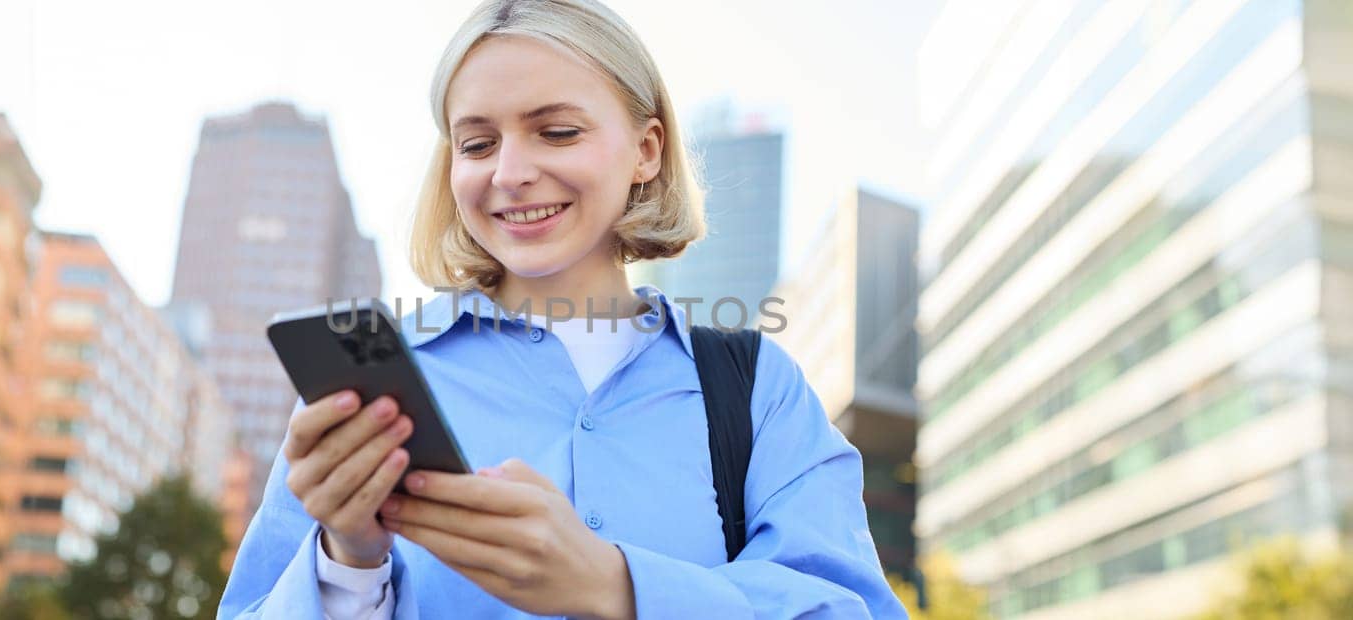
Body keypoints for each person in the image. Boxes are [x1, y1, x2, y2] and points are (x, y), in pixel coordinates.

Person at [220, 0, 907, 617]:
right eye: (478, 143)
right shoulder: (371, 388)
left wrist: (614, 585)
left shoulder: (758, 388)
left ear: (646, 150)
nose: (509, 173)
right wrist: (347, 563)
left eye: (556, 132)